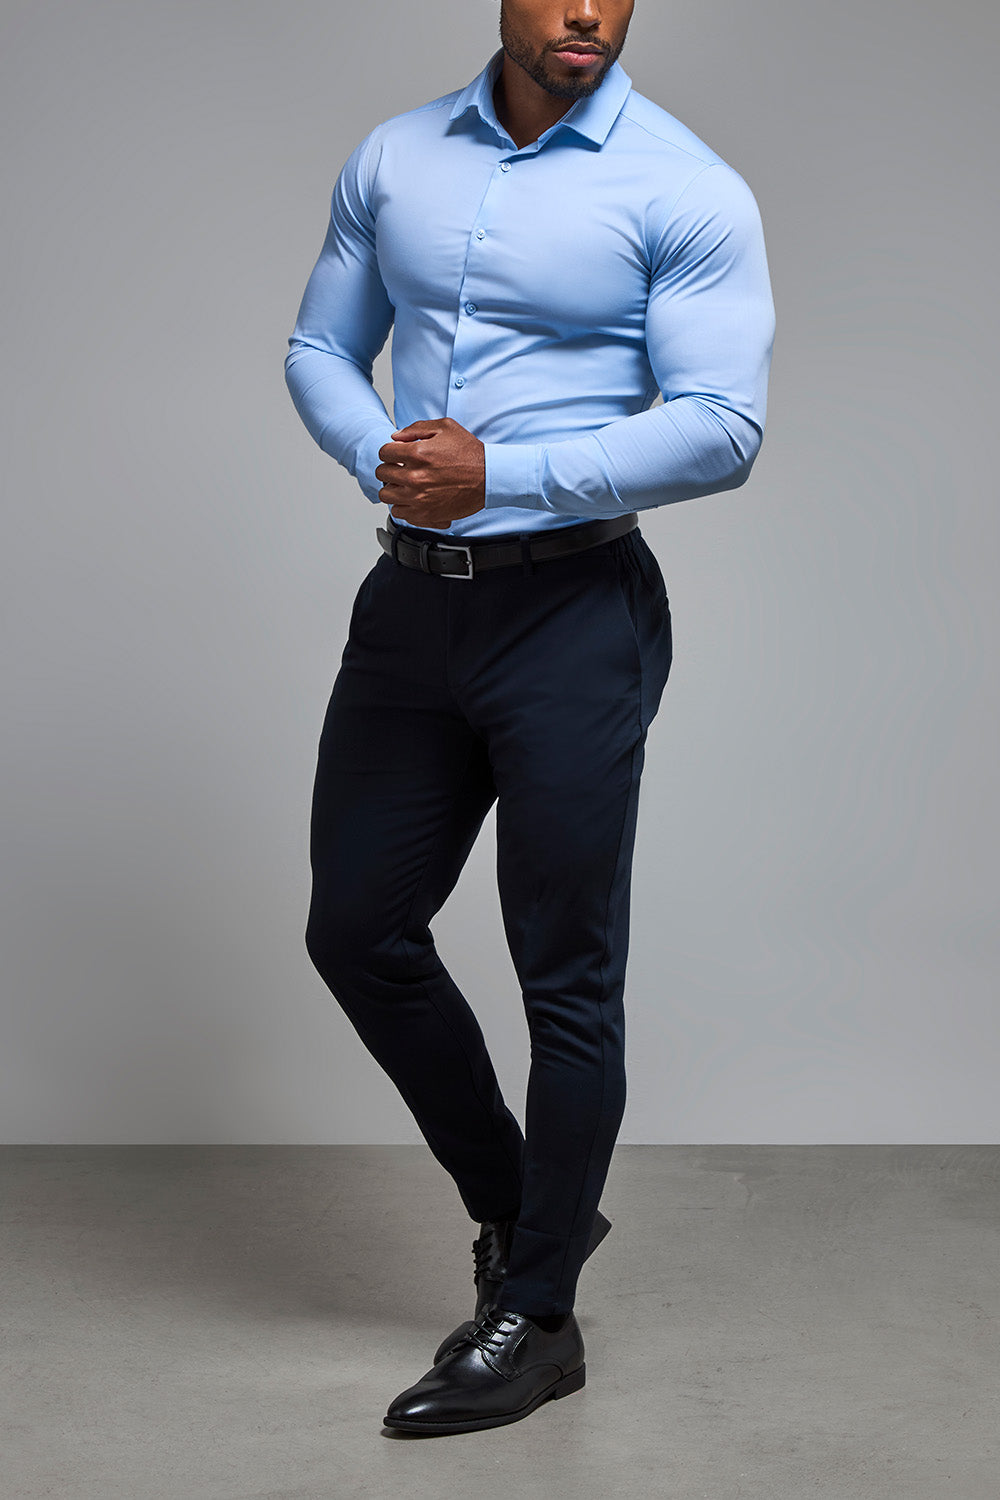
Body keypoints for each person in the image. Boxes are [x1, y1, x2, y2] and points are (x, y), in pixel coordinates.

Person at [284, 0, 775, 1435]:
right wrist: (381, 453)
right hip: (411, 606)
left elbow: (724, 425)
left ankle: (539, 1315)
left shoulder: (684, 186)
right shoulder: (395, 157)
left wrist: (497, 473)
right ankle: (528, 1209)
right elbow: (319, 346)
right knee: (356, 928)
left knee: (564, 972)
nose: (587, 13)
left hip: (574, 614)